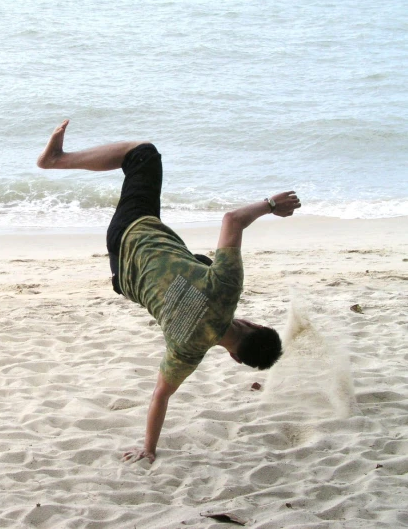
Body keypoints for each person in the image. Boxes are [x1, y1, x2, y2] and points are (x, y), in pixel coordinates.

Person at [37, 119, 301, 464]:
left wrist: (270, 204)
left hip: (135, 233)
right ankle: (59, 162)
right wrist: (149, 449)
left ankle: (55, 160)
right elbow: (160, 396)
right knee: (201, 261)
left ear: (255, 324)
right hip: (122, 276)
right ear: (235, 357)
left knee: (143, 154)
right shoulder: (186, 352)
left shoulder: (226, 288)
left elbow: (232, 219)